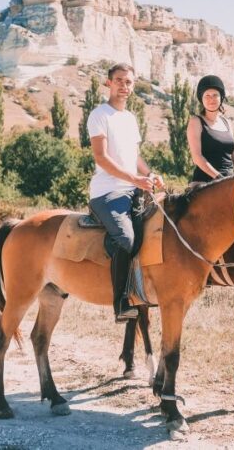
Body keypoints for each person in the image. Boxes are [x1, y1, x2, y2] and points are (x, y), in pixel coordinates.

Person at [88, 63, 164, 322]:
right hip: (107, 193)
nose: (124, 85)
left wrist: (150, 174)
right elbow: (102, 158)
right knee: (126, 239)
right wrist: (134, 178)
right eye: (119, 80)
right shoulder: (99, 115)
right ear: (109, 83)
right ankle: (120, 301)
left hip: (134, 189)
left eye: (128, 81)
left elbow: (135, 157)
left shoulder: (130, 119)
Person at [187, 74, 234, 183]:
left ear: (221, 97)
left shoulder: (226, 122)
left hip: (229, 182)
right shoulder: (196, 121)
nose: (211, 99)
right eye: (207, 95)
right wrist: (220, 179)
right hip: (205, 183)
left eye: (215, 95)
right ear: (201, 99)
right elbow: (197, 157)